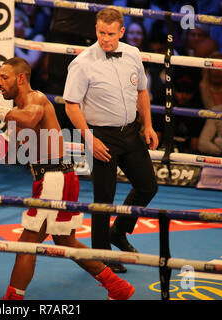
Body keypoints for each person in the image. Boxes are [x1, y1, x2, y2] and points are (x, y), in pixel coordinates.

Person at [0, 57, 135, 300]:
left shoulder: (35, 99)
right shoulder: (18, 111)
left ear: (21, 78)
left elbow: (29, 118)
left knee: (26, 246)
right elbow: (10, 153)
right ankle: (117, 286)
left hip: (54, 179)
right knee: (65, 240)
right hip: (51, 178)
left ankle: (12, 301)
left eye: (4, 77)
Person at [63, 8, 159, 273]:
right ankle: (102, 255)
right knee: (103, 198)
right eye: (101, 32)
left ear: (122, 32)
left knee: (148, 186)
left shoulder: (132, 54)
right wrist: (89, 139)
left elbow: (142, 91)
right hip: (100, 135)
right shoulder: (82, 63)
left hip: (130, 132)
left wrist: (148, 125)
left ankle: (119, 231)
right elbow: (71, 106)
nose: (105, 39)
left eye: (111, 34)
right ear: (96, 29)